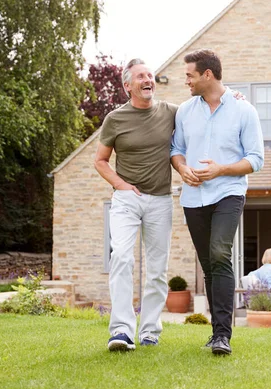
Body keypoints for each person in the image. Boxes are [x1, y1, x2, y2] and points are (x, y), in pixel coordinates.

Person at [171, 49, 265, 355]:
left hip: (228, 192)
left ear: (207, 75)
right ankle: (215, 333)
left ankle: (224, 335)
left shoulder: (243, 110)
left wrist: (220, 169)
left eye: (190, 75)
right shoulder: (185, 111)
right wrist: (182, 168)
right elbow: (176, 148)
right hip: (193, 196)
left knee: (220, 253)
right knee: (209, 265)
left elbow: (256, 159)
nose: (186, 81)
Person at [95, 58, 177, 351]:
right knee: (121, 259)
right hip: (127, 200)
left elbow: (205, 113)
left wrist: (233, 96)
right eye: (141, 76)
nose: (148, 80)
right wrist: (121, 184)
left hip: (161, 200)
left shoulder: (170, 112)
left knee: (157, 269)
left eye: (150, 75)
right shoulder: (115, 119)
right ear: (128, 85)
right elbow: (100, 161)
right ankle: (120, 331)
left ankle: (150, 330)